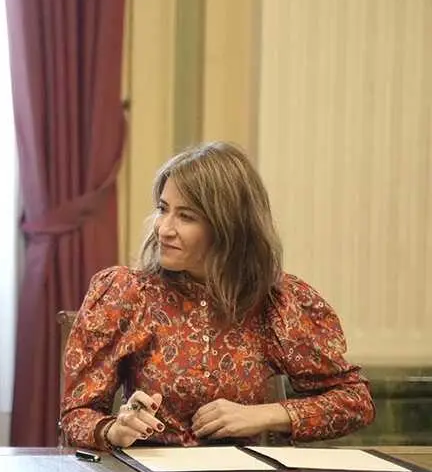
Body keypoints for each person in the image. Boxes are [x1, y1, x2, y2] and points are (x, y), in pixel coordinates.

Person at [60, 142, 375, 450]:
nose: (164, 229)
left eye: (186, 216)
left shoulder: (277, 301)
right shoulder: (125, 293)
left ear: (229, 228)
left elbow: (355, 401)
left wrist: (265, 415)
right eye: (163, 209)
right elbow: (76, 415)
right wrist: (115, 429)